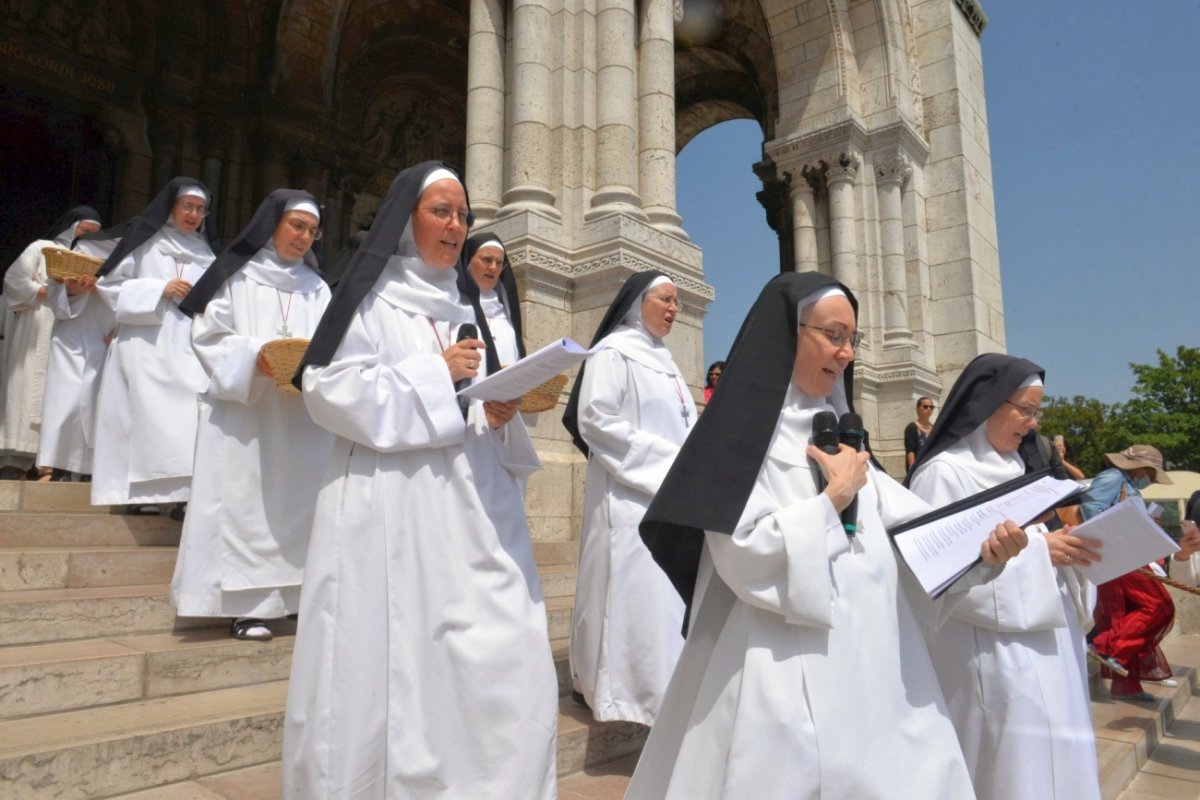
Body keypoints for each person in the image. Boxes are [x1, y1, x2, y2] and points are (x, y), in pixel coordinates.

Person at [628, 273, 1028, 799]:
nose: (845, 353)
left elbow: (916, 534)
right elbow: (743, 555)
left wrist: (981, 551)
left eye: (852, 341)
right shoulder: (741, 439)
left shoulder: (844, 434)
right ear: (789, 334)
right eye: (833, 335)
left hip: (878, 664)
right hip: (781, 664)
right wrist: (830, 503)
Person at [282, 162, 557, 799]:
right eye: (442, 211)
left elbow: (475, 406)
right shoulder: (371, 298)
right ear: (407, 218)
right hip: (395, 508)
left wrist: (495, 406)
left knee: (508, 644)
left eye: (463, 214)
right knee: (401, 664)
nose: (456, 225)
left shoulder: (472, 308)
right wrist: (437, 374)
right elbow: (328, 388)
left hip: (477, 510)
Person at [907, 352, 1103, 800]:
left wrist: (1069, 551)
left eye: (1037, 412)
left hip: (1050, 643)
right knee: (1013, 773)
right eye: (1026, 410)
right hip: (992, 656)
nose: (1033, 423)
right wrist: (1041, 552)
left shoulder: (1019, 469)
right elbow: (935, 574)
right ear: (988, 403)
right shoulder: (943, 474)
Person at [169, 190, 333, 641]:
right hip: (247, 413)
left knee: (298, 508)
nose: (304, 237)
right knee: (246, 504)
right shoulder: (235, 277)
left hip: (299, 416)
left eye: (311, 231)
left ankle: (298, 599)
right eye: (296, 226)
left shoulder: (318, 289)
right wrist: (255, 359)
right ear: (273, 225)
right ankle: (248, 607)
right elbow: (207, 336)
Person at [560, 270, 695, 725]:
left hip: (669, 496)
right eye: (666, 299)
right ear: (639, 302)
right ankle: (620, 693)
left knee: (661, 601)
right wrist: (665, 464)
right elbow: (594, 418)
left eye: (677, 301)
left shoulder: (669, 362)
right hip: (628, 496)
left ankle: (663, 693)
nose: (674, 308)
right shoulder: (613, 352)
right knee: (629, 594)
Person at [89, 178, 220, 510]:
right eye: (187, 206)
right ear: (171, 207)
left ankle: (179, 499)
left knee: (186, 420)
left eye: (200, 209)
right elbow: (109, 286)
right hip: (145, 341)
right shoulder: (146, 243)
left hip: (189, 345)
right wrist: (159, 289)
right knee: (142, 419)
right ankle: (136, 498)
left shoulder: (206, 252)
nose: (193, 214)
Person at [0, 207, 101, 478]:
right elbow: (14, 281)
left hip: (68, 327)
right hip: (37, 323)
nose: (88, 237)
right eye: (84, 231)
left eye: (95, 233)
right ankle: (16, 460)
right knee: (26, 383)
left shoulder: (91, 260)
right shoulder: (43, 248)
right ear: (71, 227)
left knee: (60, 390)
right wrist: (48, 292)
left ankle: (50, 462)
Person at [1081, 445, 1182, 701]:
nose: (1149, 476)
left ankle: (1127, 686)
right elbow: (1091, 509)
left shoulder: (1128, 484)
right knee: (1159, 606)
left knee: (1122, 615)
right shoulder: (1114, 477)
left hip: (1126, 555)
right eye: (1150, 471)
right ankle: (1104, 646)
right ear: (1139, 467)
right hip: (1119, 555)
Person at [37, 216, 124, 480]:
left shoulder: (129, 259)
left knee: (100, 407)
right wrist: (73, 291)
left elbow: (133, 297)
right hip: (72, 340)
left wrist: (121, 330)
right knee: (66, 403)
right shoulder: (76, 254)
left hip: (107, 341)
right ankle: (60, 466)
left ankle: (91, 472)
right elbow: (55, 295)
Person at [459, 232, 525, 367]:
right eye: (487, 260)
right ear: (468, 260)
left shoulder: (506, 316)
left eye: (499, 262)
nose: (493, 268)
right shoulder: (454, 306)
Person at [903, 395, 934, 473]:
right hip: (919, 468)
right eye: (925, 407)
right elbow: (910, 449)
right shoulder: (912, 427)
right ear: (918, 408)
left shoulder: (934, 428)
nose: (929, 409)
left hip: (932, 466)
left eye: (931, 407)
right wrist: (912, 468)